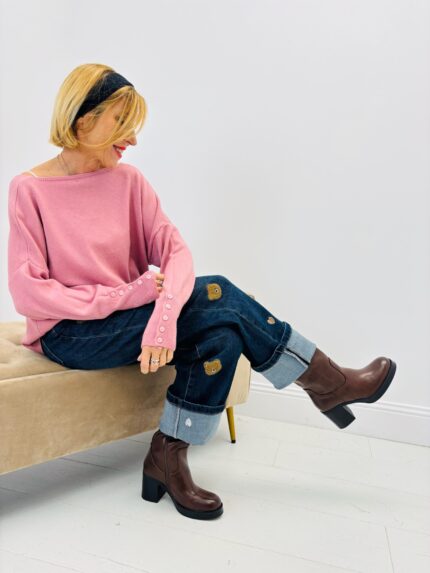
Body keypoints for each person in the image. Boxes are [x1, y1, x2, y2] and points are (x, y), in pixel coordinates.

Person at [7, 63, 397, 521]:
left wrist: (163, 318)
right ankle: (326, 382)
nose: (132, 139)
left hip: (129, 322)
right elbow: (29, 294)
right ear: (82, 120)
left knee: (223, 337)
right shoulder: (29, 190)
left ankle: (168, 457)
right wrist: (126, 297)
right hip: (70, 335)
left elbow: (176, 253)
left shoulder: (129, 183)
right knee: (220, 293)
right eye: (121, 122)